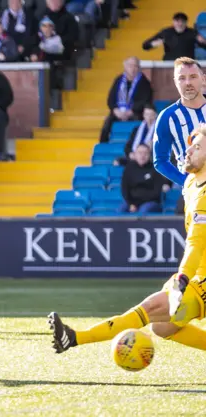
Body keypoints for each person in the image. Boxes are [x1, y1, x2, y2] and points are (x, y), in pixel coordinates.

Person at [50, 124, 206, 355]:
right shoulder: (192, 182)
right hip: (192, 274)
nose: (189, 150)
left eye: (197, 147)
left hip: (199, 279)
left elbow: (196, 243)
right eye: (190, 146)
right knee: (162, 326)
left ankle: (73, 338)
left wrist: (181, 279)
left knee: (151, 308)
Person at [153, 57, 206, 187]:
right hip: (194, 192)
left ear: (203, 79)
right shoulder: (167, 117)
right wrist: (186, 182)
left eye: (193, 76)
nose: (188, 82)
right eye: (182, 78)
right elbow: (160, 161)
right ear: (176, 82)